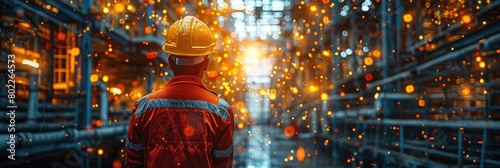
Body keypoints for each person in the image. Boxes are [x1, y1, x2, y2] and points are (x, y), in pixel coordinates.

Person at [126, 16, 234, 168]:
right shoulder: (221, 112)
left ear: (169, 62)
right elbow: (223, 164)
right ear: (206, 64)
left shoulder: (143, 108)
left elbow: (133, 163)